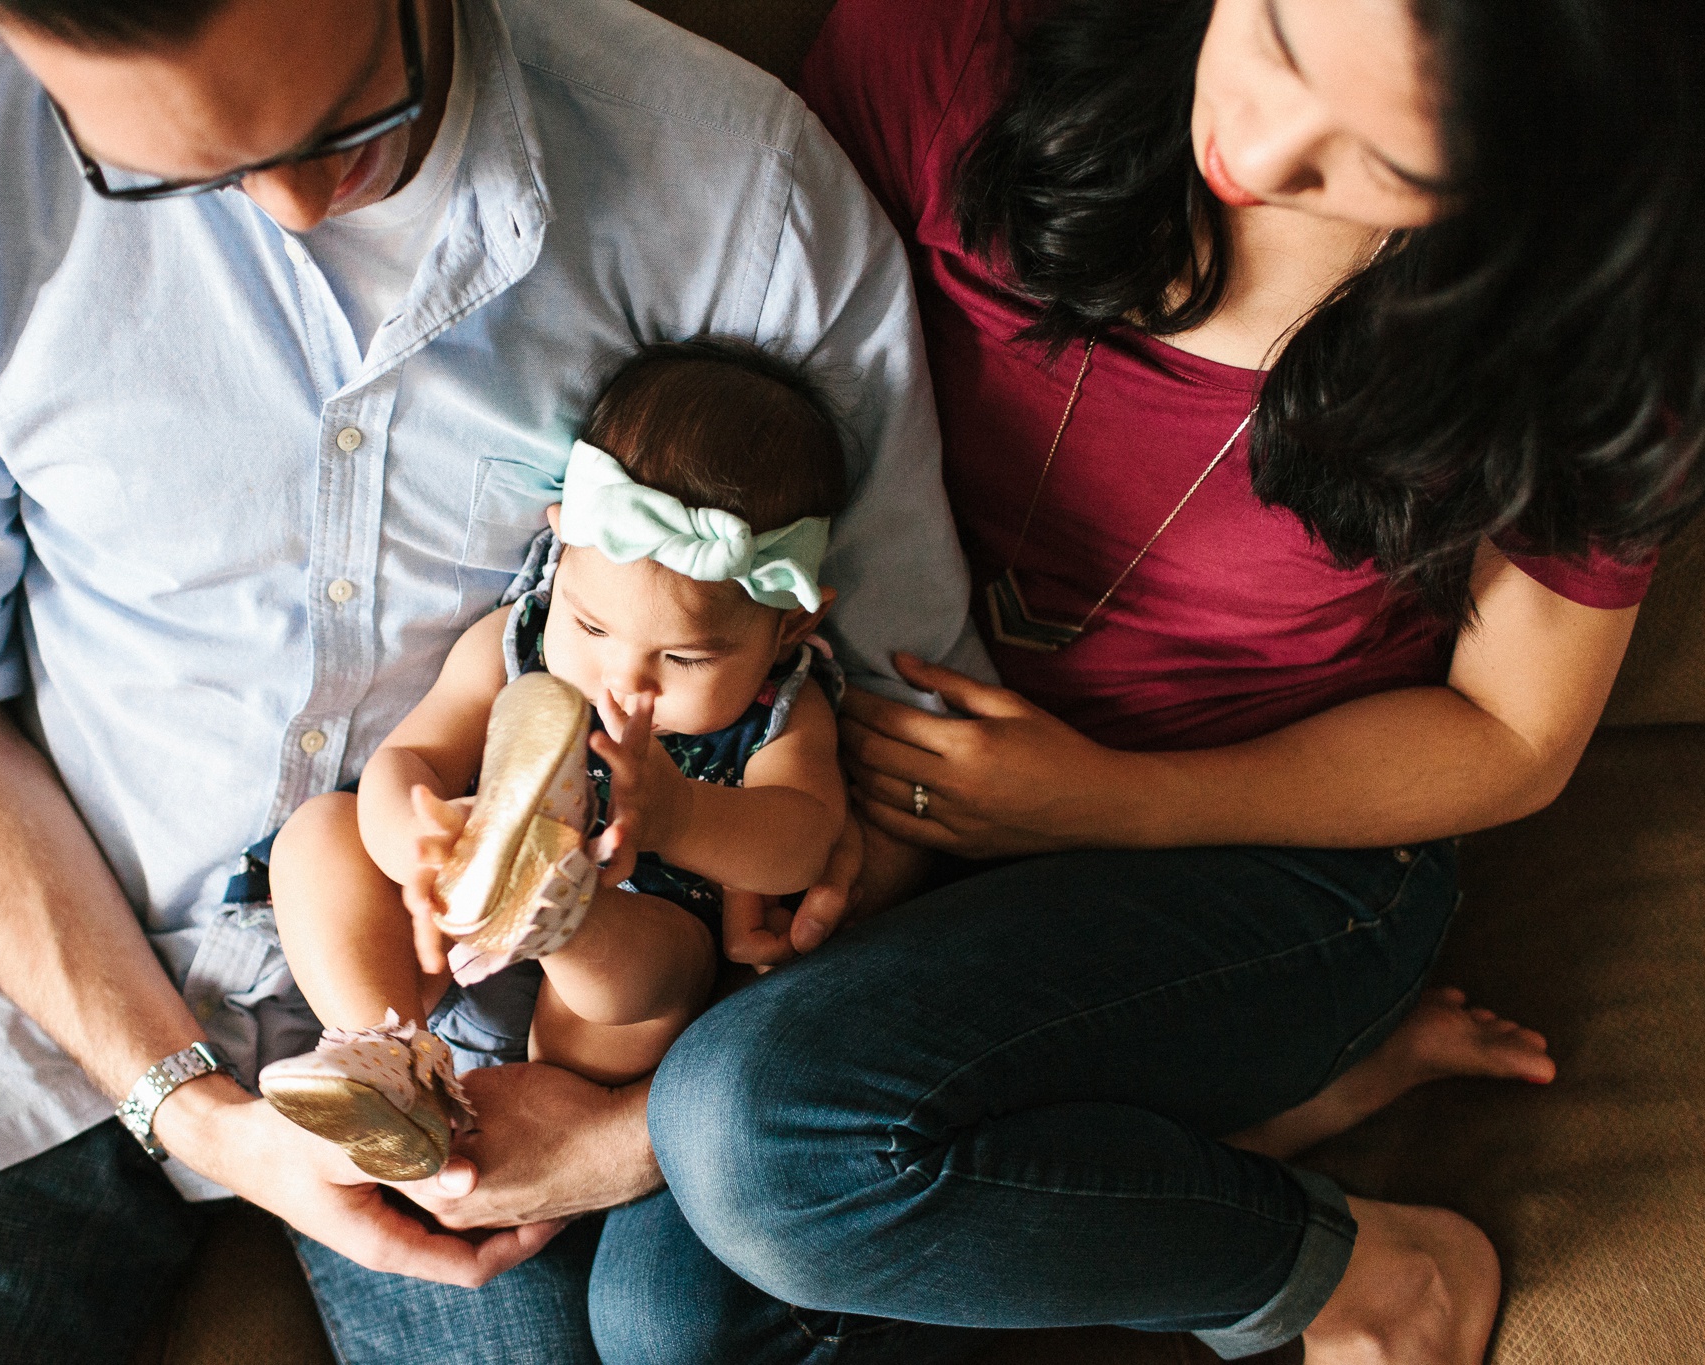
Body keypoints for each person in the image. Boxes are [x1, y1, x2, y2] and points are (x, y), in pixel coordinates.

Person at [0, 0, 990, 1358]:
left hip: (498, 1074)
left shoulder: (746, 202)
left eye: (356, 129)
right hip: (62, 1000)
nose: (299, 210)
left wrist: (629, 1134)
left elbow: (910, 758)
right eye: (175, 173)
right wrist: (189, 1106)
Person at [624, 0, 1705, 1362]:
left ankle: (1372, 1276)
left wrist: (1104, 802)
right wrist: (807, 776)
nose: (1253, 149)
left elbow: (1515, 736)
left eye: (1381, 159)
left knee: (754, 1144)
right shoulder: (966, 49)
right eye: (1274, 38)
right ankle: (1252, 1128)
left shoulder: (1593, 340)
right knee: (671, 1312)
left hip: (1273, 855)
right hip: (882, 789)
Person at [260, 340, 848, 1175]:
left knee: (653, 970)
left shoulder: (780, 709)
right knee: (319, 835)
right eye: (594, 627)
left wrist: (680, 814)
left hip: (618, 956)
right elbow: (413, 755)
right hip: (440, 934)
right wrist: (422, 839)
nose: (625, 679)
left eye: (684, 660)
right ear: (560, 551)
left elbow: (802, 841)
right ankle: (384, 1058)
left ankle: (556, 934)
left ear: (789, 626)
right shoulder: (519, 641)